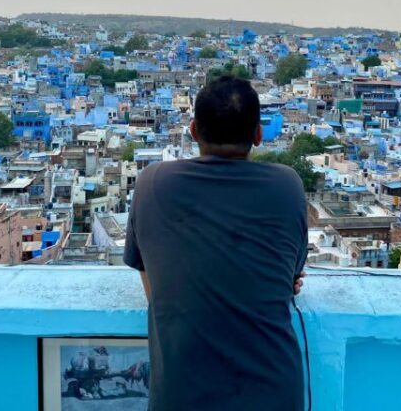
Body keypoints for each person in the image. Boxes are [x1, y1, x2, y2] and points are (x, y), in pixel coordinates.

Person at [124, 75, 308, 410]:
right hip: (272, 392)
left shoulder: (152, 183)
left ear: (193, 131)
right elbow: (290, 276)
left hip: (182, 394)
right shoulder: (287, 185)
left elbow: (151, 281)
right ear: (258, 134)